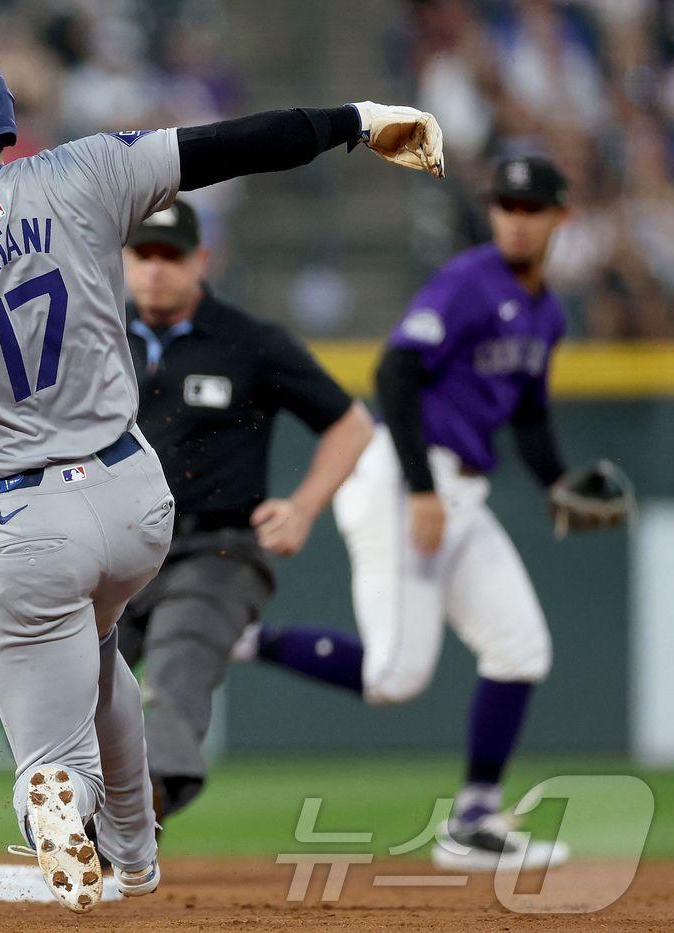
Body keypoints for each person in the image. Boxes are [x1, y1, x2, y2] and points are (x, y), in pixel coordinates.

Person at [0, 37, 443, 912]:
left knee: (50, 760)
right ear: (8, 120)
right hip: (131, 498)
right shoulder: (85, 173)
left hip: (18, 521)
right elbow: (233, 144)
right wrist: (358, 119)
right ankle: (134, 854)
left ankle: (57, 804)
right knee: (103, 644)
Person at [237, 156, 586, 868]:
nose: (515, 219)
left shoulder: (548, 311)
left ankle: (474, 821)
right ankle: (238, 637)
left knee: (521, 649)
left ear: (559, 217)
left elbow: (531, 415)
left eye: (530, 207)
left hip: (462, 493)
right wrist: (423, 489)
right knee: (394, 677)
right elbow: (394, 371)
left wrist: (560, 481)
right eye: (505, 206)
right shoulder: (469, 281)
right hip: (405, 479)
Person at [116, 198, 374, 822]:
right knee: (68, 685)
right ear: (122, 260)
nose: (155, 269)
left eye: (170, 256)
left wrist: (305, 507)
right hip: (115, 553)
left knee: (177, 670)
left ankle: (140, 813)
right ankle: (75, 814)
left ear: (202, 260)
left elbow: (352, 424)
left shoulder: (249, 343)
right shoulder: (93, 340)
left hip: (216, 550)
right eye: (143, 254)